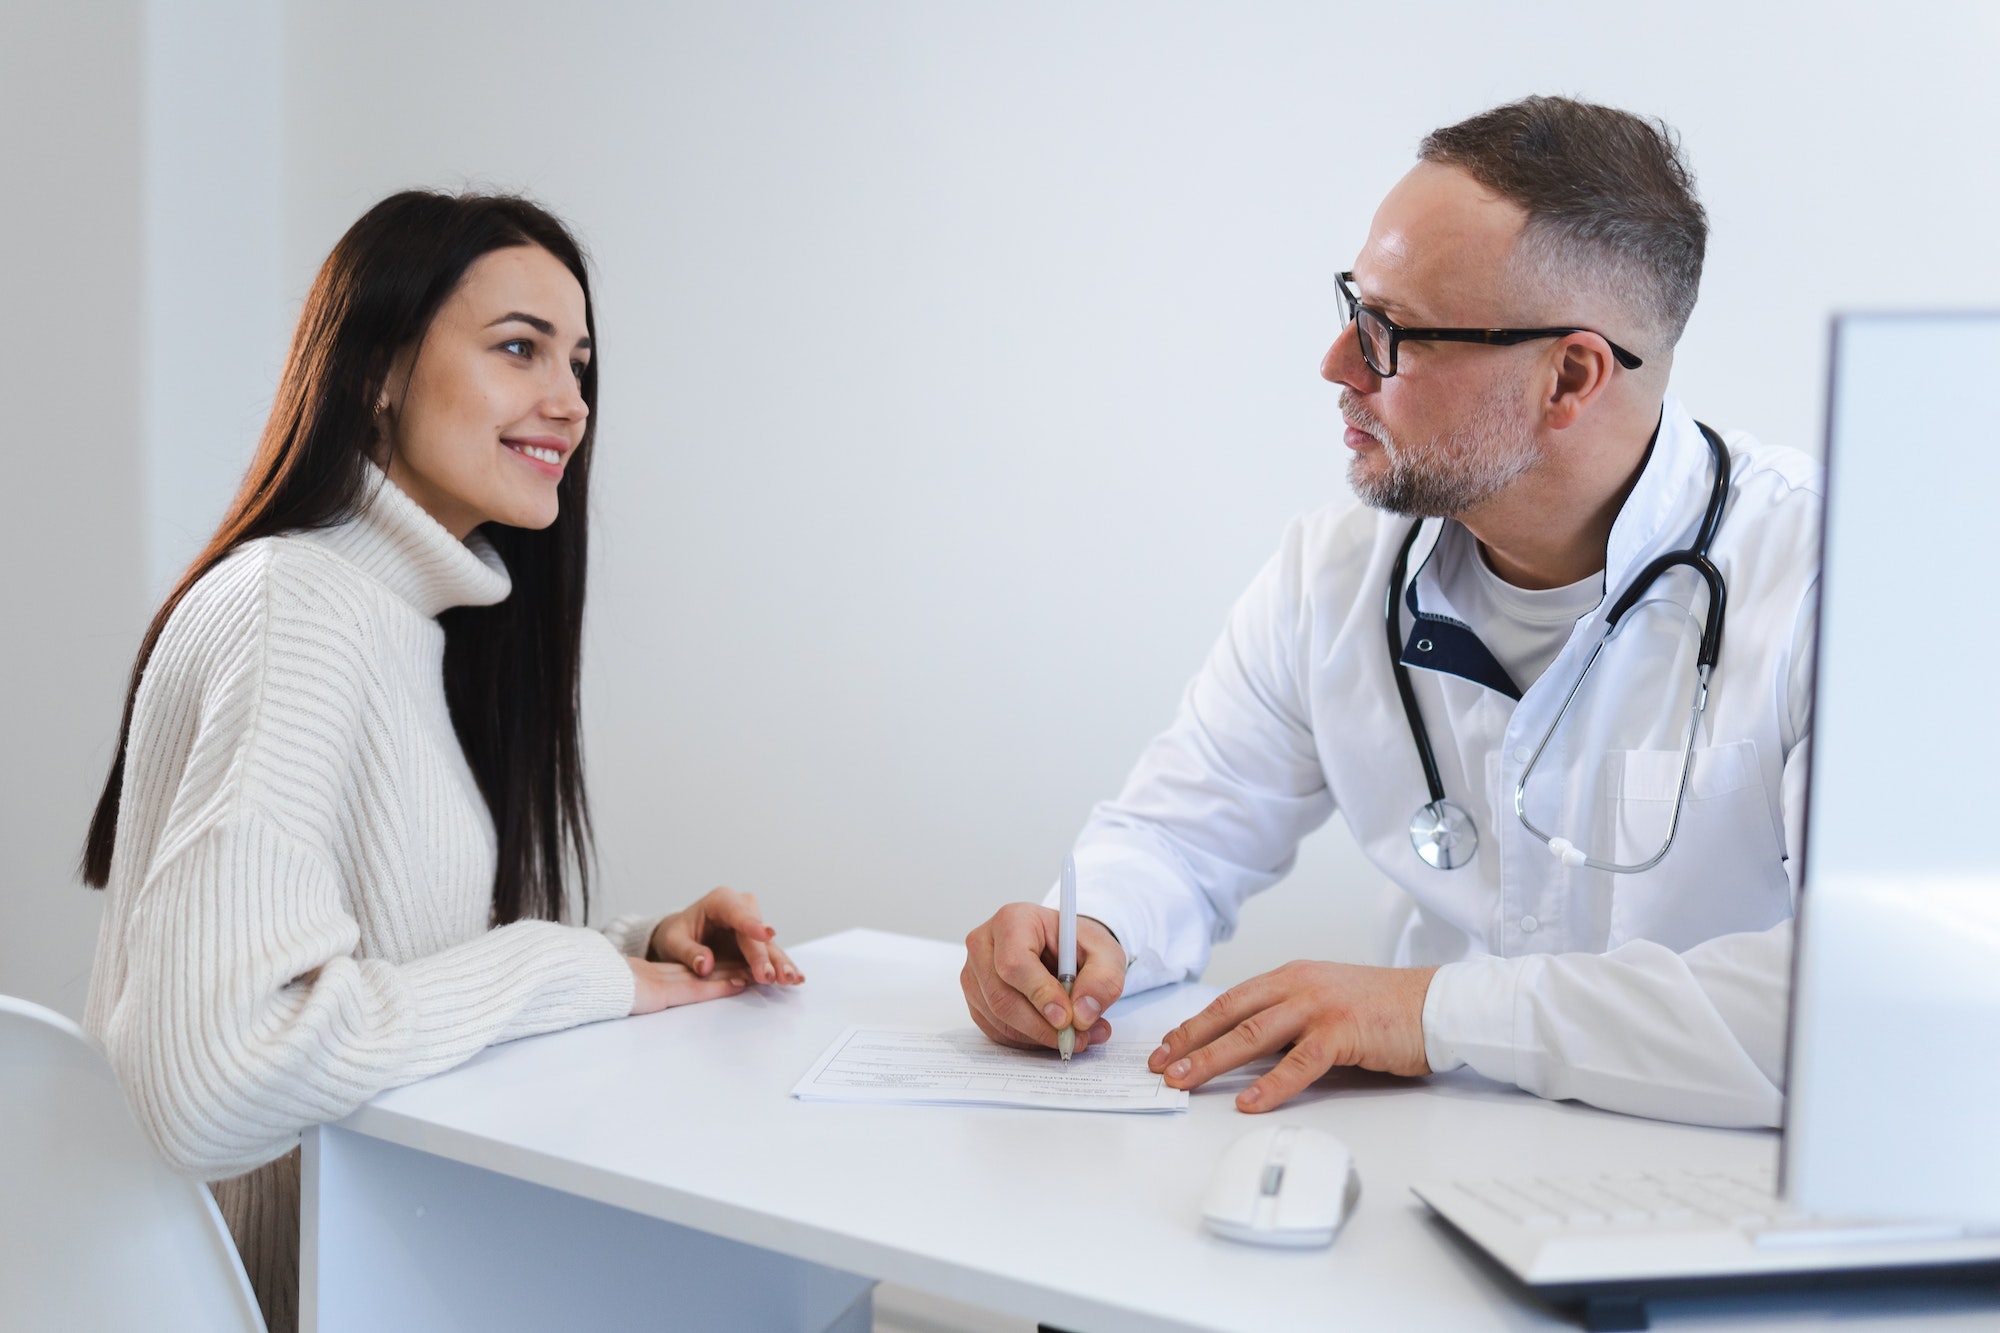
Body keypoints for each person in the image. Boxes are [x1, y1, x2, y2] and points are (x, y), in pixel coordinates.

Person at [960, 96, 1818, 1131]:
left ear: (1570, 375)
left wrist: (1433, 1012)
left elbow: (1871, 1004)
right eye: (1350, 308)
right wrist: (1086, 926)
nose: (1336, 366)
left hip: (1709, 1198)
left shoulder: (1834, 582)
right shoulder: (1332, 575)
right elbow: (1175, 840)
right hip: (1430, 1172)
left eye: (1391, 332)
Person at [79, 191, 802, 1332]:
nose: (566, 402)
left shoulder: (391, 616)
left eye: (579, 365)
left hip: (372, 1272)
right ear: (377, 369)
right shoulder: (300, 609)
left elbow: (392, 966)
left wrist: (629, 951)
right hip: (302, 1296)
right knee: (777, 1295)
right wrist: (567, 974)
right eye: (518, 348)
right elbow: (211, 1077)